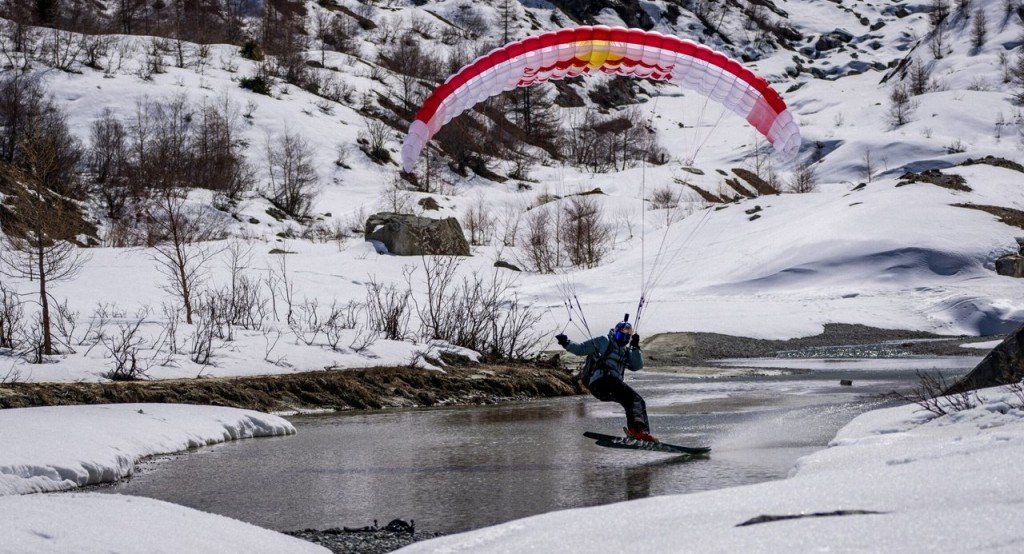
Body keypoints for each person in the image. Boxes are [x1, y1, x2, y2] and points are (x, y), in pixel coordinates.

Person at [556, 320, 657, 443]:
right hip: (603, 381)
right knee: (635, 399)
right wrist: (566, 342)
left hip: (605, 389)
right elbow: (580, 349)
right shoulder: (604, 341)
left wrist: (635, 347)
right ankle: (639, 432)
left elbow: (636, 366)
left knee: (631, 402)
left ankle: (637, 432)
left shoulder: (625, 351)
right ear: (614, 333)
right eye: (620, 335)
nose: (623, 339)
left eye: (626, 337)